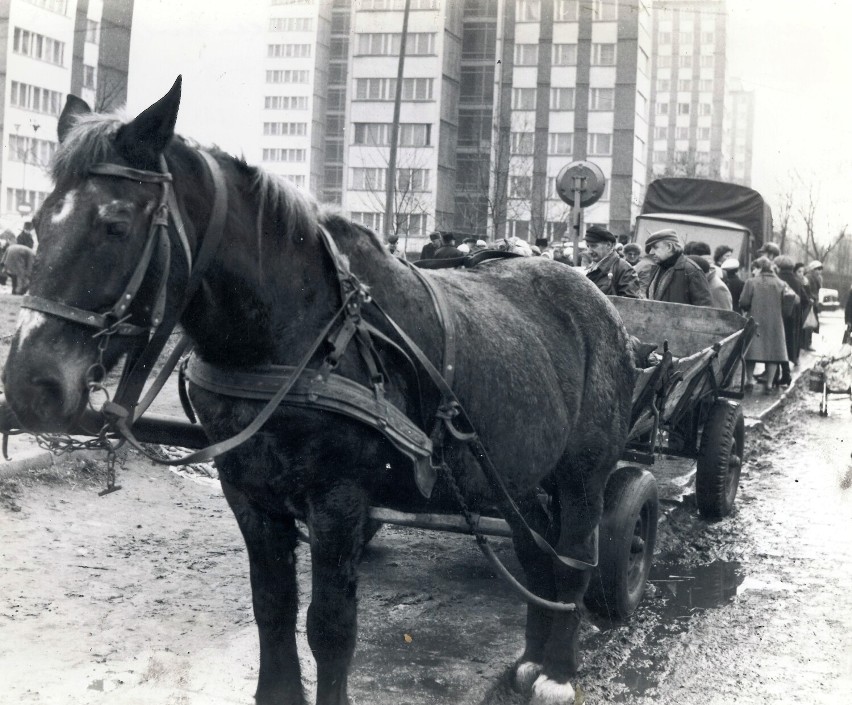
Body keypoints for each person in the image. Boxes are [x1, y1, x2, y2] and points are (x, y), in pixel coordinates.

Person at [739, 256, 788, 394]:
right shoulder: (781, 283)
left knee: (751, 352)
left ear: (759, 268)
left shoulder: (751, 282)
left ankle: (749, 381)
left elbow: (743, 302)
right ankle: (769, 384)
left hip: (755, 321)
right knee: (773, 354)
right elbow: (790, 302)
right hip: (775, 323)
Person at [645, 229, 713, 306]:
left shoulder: (691, 271)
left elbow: (705, 309)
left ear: (669, 247)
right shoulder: (657, 268)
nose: (651, 252)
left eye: (655, 247)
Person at [774, 255, 810, 386]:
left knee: (777, 345)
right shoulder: (797, 281)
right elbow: (805, 301)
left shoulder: (778, 279)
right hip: (793, 320)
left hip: (778, 317)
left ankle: (776, 375)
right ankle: (785, 375)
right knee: (787, 345)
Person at [583, 225, 642, 298]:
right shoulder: (593, 267)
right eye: (588, 246)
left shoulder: (625, 270)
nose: (589, 251)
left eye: (593, 246)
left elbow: (629, 305)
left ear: (608, 245)